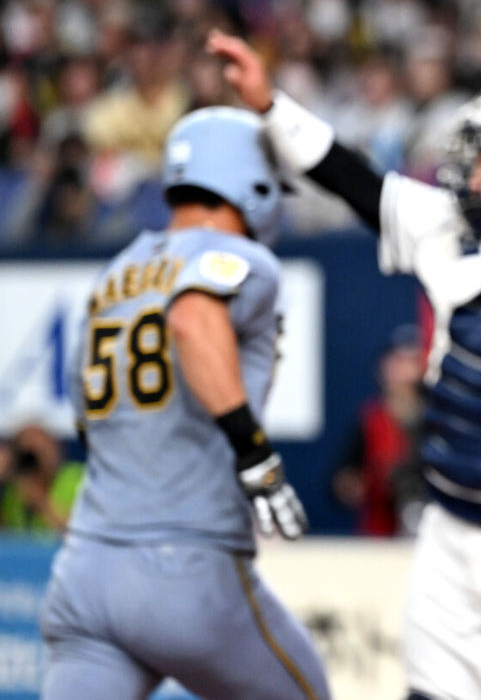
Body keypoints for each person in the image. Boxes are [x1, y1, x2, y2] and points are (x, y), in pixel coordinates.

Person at [208, 29, 481, 700]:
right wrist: (269, 105)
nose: (474, 181)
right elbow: (352, 179)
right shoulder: (451, 232)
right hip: (449, 526)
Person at [39, 106, 331, 700]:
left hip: (86, 568)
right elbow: (193, 318)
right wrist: (254, 453)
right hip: (183, 563)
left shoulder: (115, 272)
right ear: (250, 182)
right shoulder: (243, 258)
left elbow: (85, 413)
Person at [332, 323, 426, 537]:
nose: (405, 371)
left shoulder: (437, 419)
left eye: (413, 362)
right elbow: (344, 479)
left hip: (427, 529)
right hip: (381, 533)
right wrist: (354, 485)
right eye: (399, 362)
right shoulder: (370, 419)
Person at [0, 422, 83, 533]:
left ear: (57, 450)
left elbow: (82, 533)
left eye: (40, 450)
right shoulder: (14, 488)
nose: (34, 462)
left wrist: (40, 500)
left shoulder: (76, 478)